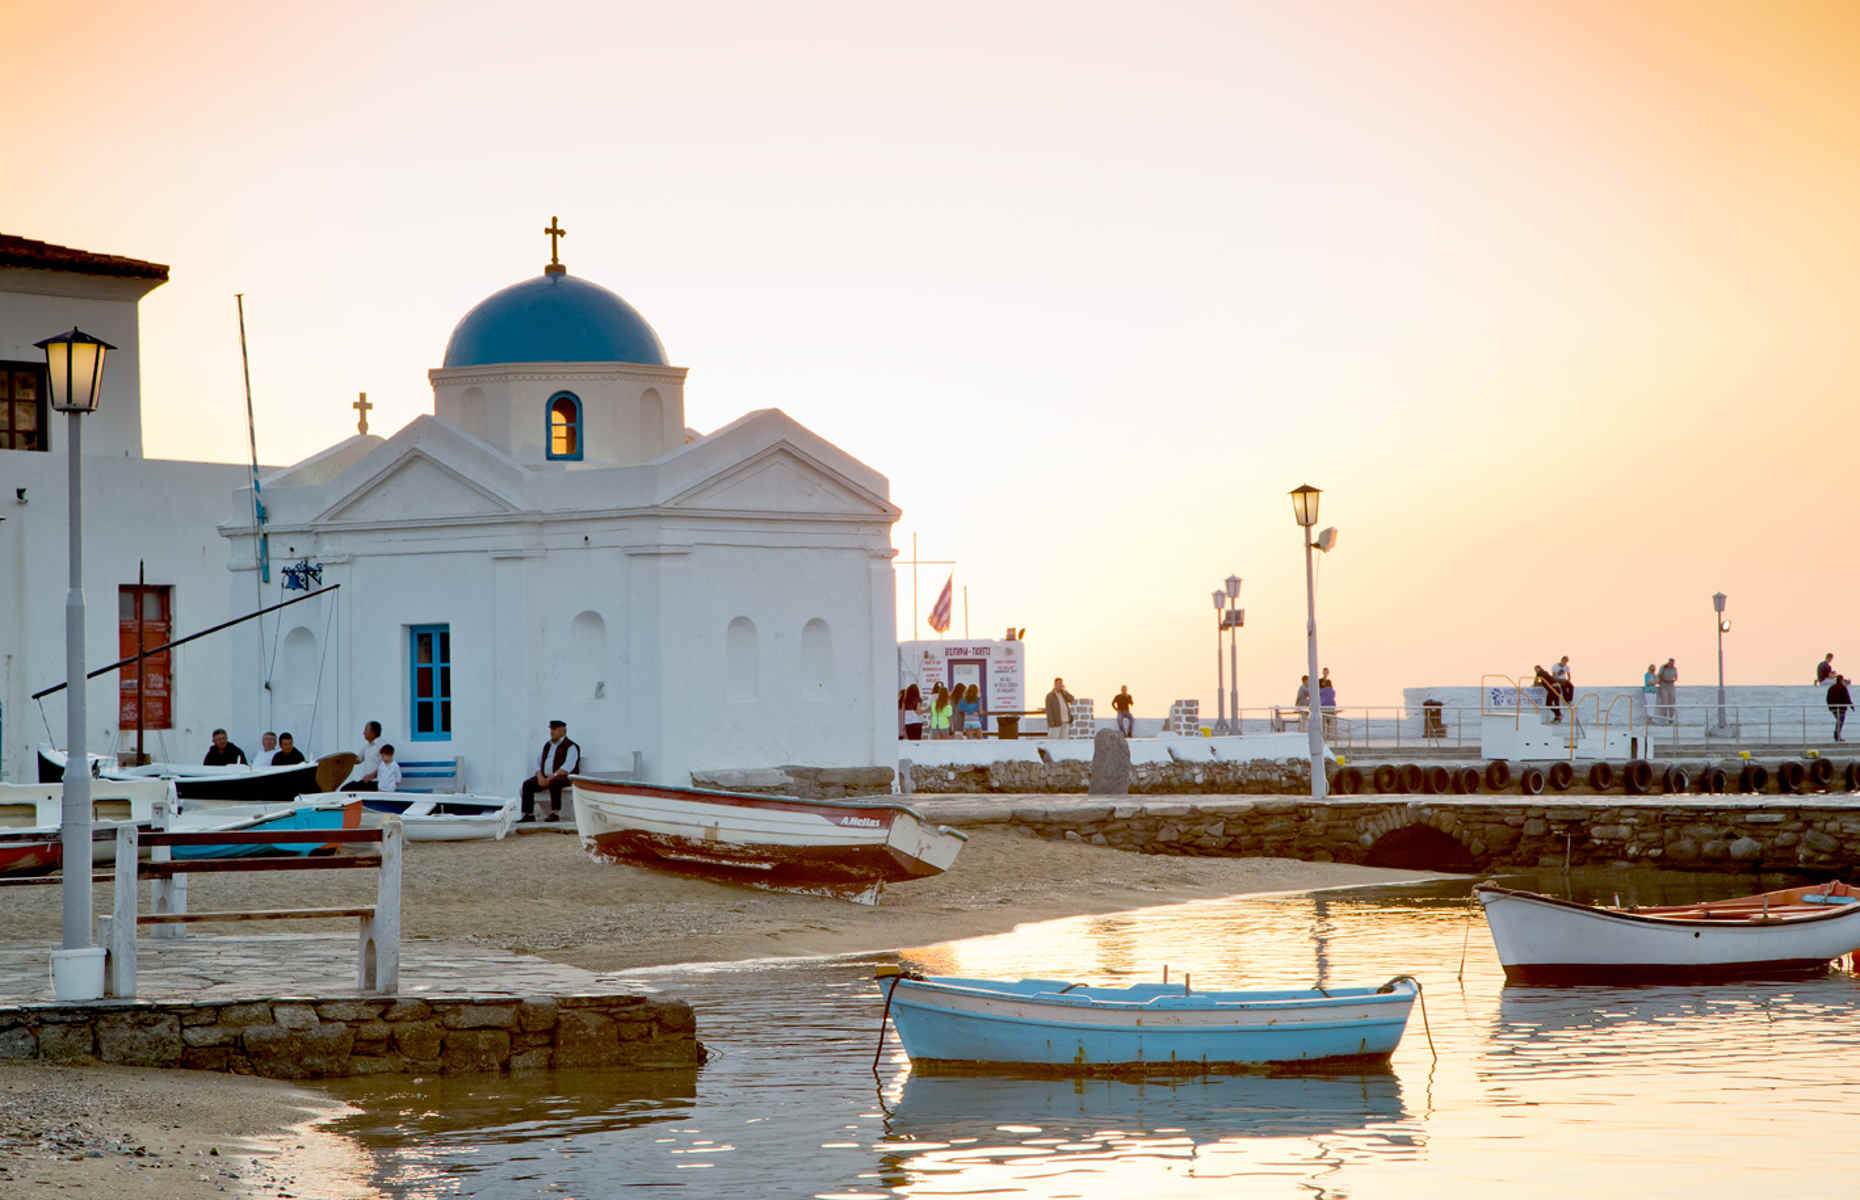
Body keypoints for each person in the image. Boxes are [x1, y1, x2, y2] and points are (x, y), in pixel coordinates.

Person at [520, 719, 581, 822]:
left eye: (555, 729)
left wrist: (550, 778)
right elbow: (539, 762)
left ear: (563, 731)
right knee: (527, 784)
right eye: (551, 729)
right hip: (546, 776)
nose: (552, 732)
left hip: (564, 777)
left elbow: (567, 768)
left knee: (554, 782)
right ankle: (529, 814)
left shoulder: (571, 746)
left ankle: (555, 813)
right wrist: (540, 777)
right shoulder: (547, 745)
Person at [346, 720, 385, 790]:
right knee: (346, 788)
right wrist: (343, 760)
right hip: (366, 782)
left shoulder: (382, 745)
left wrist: (371, 776)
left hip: (377, 783)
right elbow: (358, 760)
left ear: (373, 732)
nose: (363, 733)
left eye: (366, 730)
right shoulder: (367, 746)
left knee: (349, 790)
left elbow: (385, 765)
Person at [1829, 674, 1852, 742]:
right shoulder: (1843, 687)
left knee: (1839, 721)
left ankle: (1837, 734)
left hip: (1834, 708)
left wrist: (1830, 707)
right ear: (1841, 680)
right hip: (1841, 708)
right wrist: (1851, 706)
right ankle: (1837, 734)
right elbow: (1847, 697)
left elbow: (1828, 698)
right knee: (1840, 721)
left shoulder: (1832, 688)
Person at [1657, 658, 1679, 724]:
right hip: (1664, 686)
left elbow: (1676, 677)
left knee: (1672, 702)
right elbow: (1659, 676)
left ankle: (1671, 718)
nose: (1671, 664)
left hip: (1671, 686)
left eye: (1672, 663)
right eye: (1670, 663)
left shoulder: (1674, 669)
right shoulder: (1663, 668)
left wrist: (1673, 680)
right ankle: (1665, 718)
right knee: (1664, 702)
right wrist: (1665, 681)